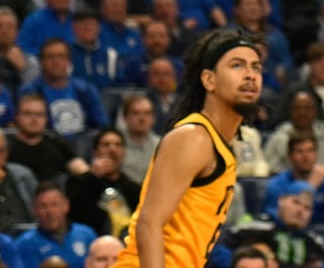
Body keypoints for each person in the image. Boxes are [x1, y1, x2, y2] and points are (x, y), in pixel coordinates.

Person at [111, 29, 262, 268]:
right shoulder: (195, 137)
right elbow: (149, 223)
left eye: (256, 67)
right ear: (209, 80)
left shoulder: (220, 145)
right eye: (237, 66)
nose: (250, 75)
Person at [12, 181, 97, 268]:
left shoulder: (87, 235)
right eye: (43, 206)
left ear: (66, 205)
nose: (49, 212)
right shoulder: (23, 244)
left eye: (54, 205)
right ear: (34, 210)